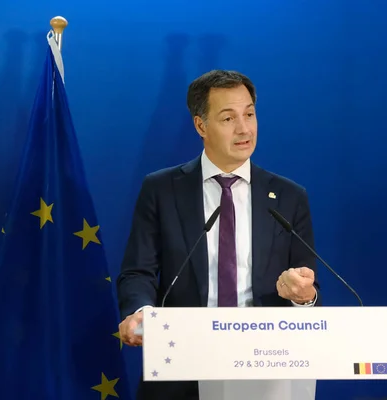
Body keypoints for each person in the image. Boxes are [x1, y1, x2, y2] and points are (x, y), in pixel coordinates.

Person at [116, 69, 321, 400]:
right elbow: (137, 270)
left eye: (250, 114)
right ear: (201, 126)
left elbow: (310, 288)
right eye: (228, 118)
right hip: (183, 363)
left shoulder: (288, 197)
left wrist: (303, 296)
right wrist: (140, 311)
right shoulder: (162, 190)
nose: (244, 129)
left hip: (266, 369)